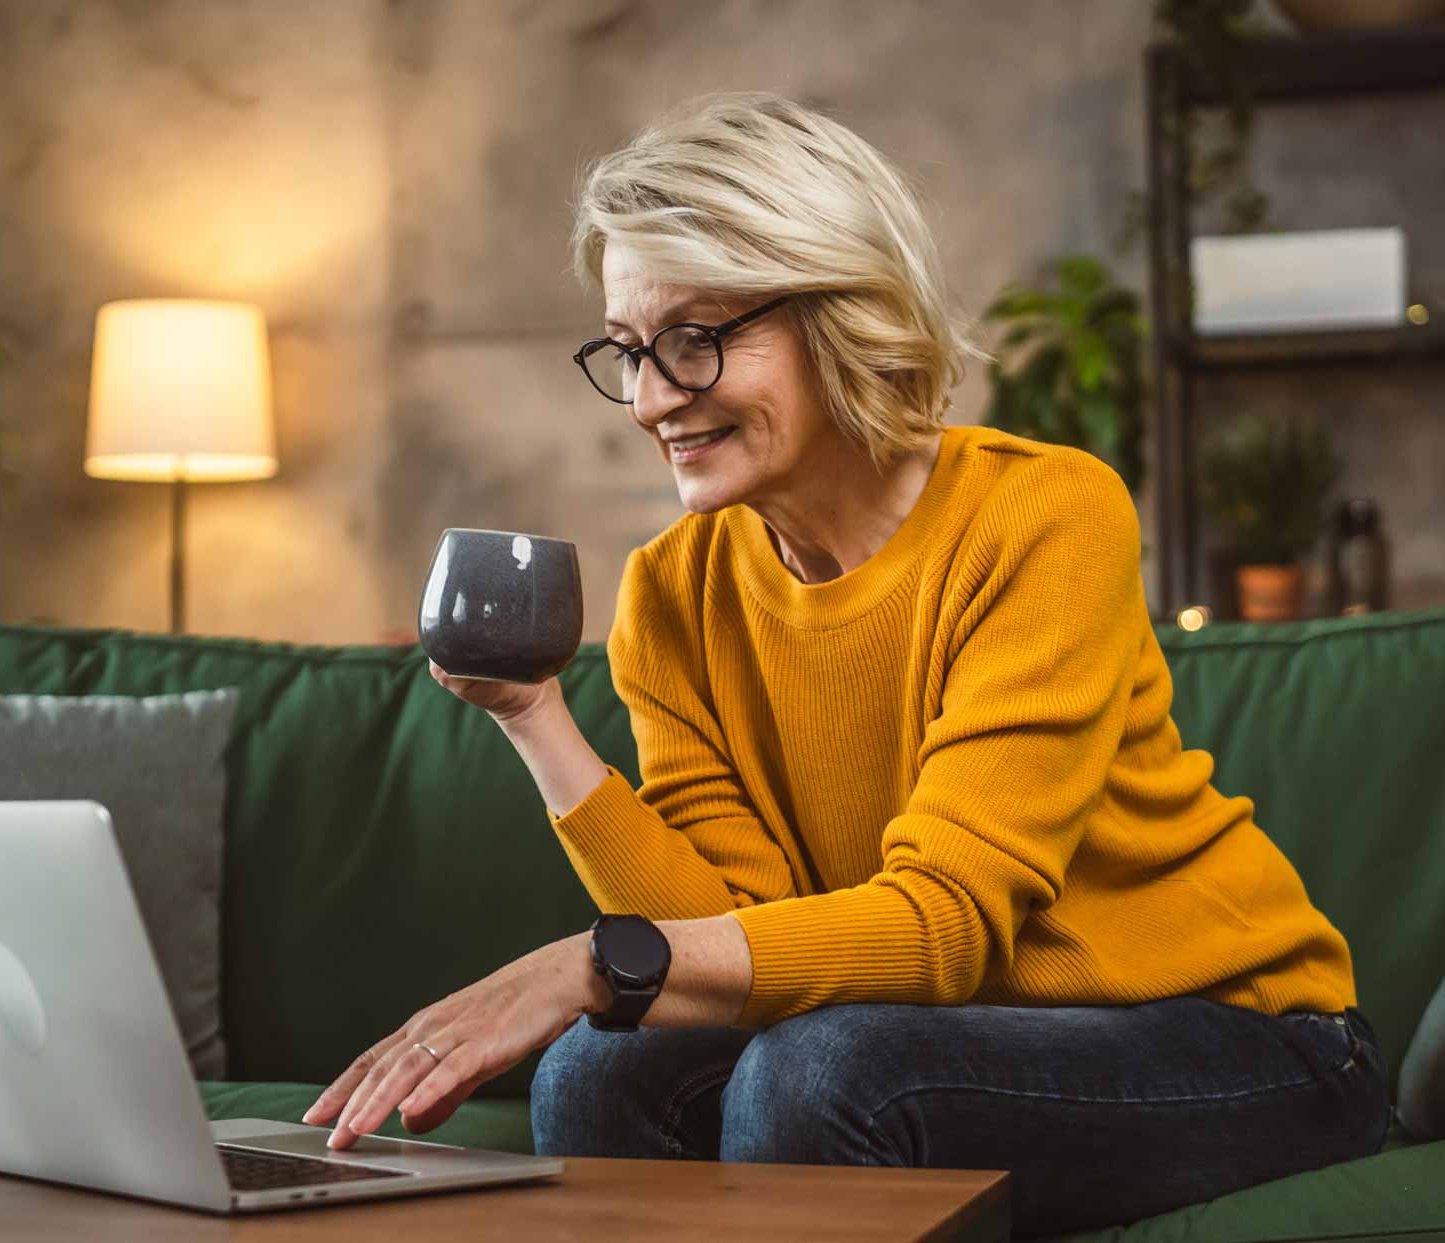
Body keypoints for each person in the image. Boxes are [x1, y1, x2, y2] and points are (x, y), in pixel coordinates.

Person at [302, 92, 1387, 1236]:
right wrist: (533, 715)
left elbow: (945, 923)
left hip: (1242, 1035)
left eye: (694, 339)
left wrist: (592, 962)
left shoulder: (1041, 514)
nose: (650, 400)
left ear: (837, 313)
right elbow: (735, 929)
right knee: (596, 1070)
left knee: (819, 1071)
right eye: (626, 352)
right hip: (930, 1031)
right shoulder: (675, 591)